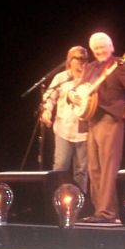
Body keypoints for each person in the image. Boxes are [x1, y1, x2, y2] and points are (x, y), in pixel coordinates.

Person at [73, 31, 125, 224]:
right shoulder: (90, 67)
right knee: (94, 168)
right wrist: (73, 96)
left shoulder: (119, 65)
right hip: (92, 120)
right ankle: (100, 210)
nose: (99, 51)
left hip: (110, 119)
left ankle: (107, 213)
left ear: (111, 47)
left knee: (108, 167)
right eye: (96, 48)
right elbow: (80, 90)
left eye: (103, 47)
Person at [41, 46, 89, 191]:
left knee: (81, 171)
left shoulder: (90, 78)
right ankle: (58, 198)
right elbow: (49, 97)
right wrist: (47, 111)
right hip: (63, 130)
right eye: (77, 59)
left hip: (84, 132)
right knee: (60, 168)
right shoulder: (61, 78)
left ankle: (80, 200)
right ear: (69, 61)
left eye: (84, 59)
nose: (81, 63)